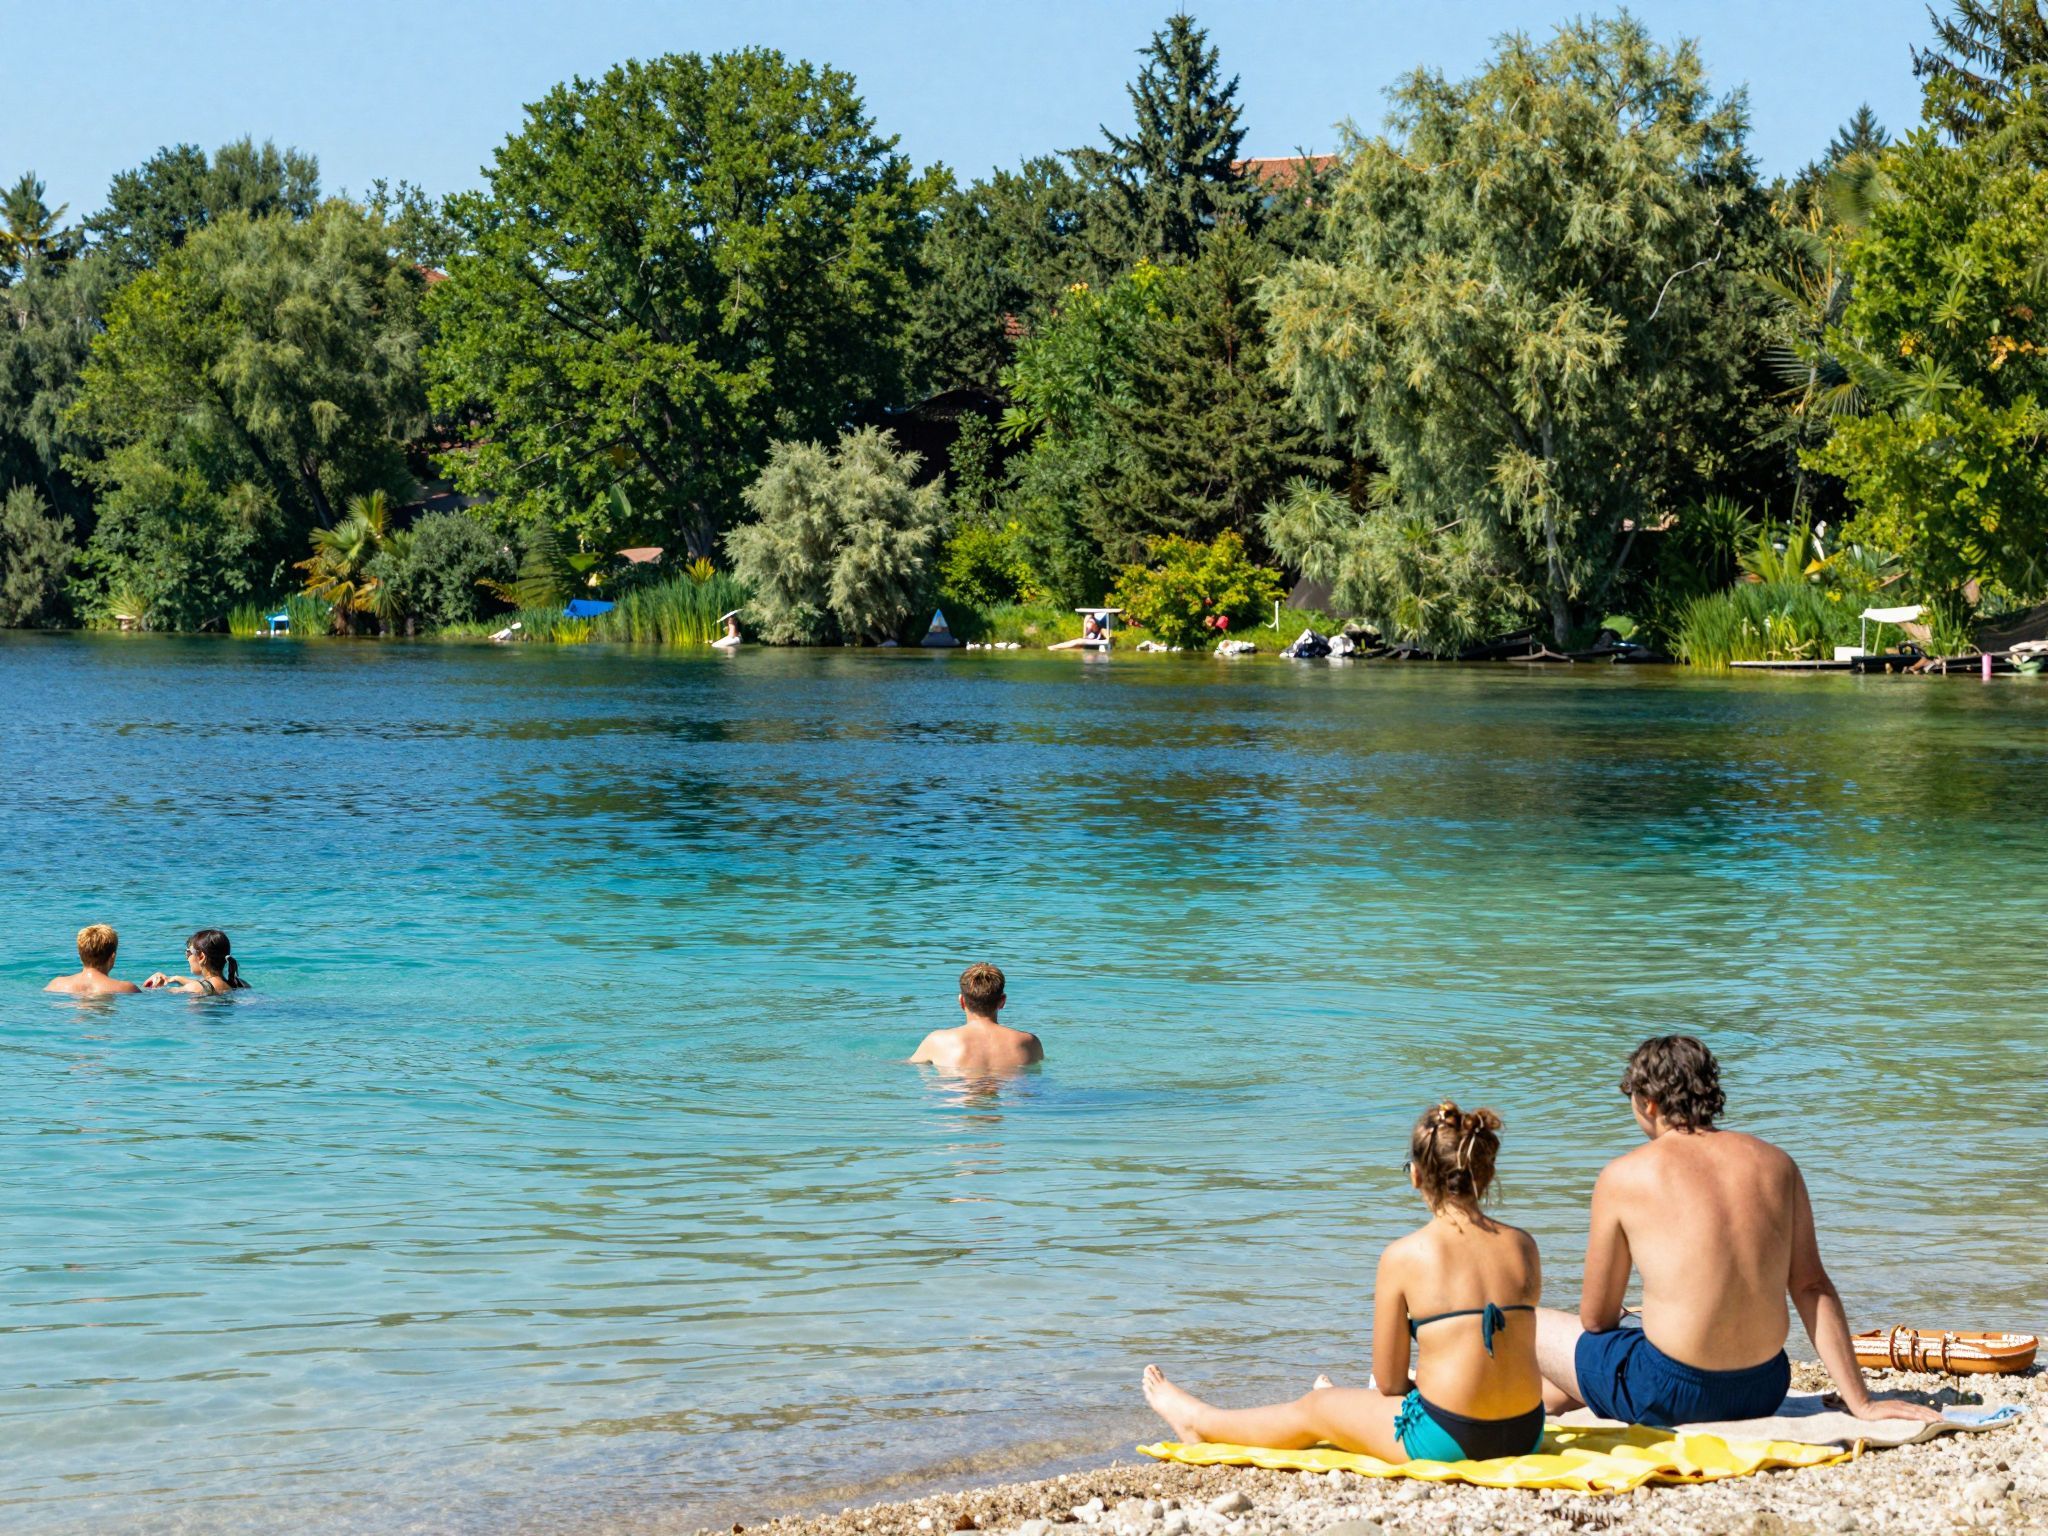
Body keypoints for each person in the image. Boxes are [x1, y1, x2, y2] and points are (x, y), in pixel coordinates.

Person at [1534, 1036, 1940, 1428]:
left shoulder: (1623, 1175)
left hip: (1667, 1391)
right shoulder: (1779, 1164)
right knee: (1561, 1385)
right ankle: (1551, 1399)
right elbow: (1812, 1287)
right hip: (1763, 1387)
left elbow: (1596, 1320)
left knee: (1519, 1320)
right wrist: (1863, 1403)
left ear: (1647, 1102)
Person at [1141, 1102, 1546, 1463]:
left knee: (1316, 1408)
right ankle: (1346, 1410)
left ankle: (1201, 1424)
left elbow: (1388, 1383)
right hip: (1526, 1433)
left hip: (1451, 1439)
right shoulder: (1523, 1245)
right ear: (1487, 1173)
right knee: (1343, 1403)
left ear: (1417, 1176)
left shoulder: (1404, 1255)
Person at [908, 962, 1043, 1074]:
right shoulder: (1029, 1042)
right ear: (1002, 1001)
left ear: (961, 1001)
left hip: (957, 1098)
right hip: (1013, 1101)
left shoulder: (937, 1041)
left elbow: (908, 1066)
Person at [144, 928, 251, 995]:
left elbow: (148, 993)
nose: (187, 957)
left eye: (188, 953)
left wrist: (151, 985)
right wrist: (176, 978)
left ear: (201, 957)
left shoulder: (194, 988)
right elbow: (207, 984)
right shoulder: (239, 984)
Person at [44, 924, 142, 995]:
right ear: (113, 956)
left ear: (80, 954)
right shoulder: (127, 988)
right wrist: (152, 989)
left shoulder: (56, 984)